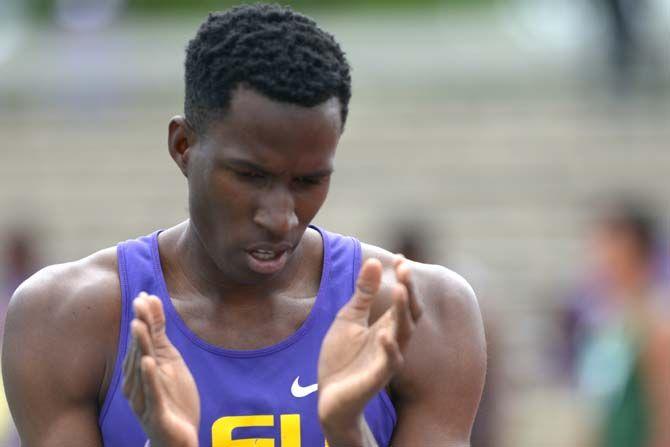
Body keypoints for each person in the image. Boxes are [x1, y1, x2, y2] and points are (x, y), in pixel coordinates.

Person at [1, 4, 486, 446]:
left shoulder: (427, 316)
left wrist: (346, 432)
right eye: (251, 176)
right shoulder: (66, 319)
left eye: (309, 180)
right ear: (183, 147)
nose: (280, 217)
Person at [559, 199, 670, 447]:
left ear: (632, 249)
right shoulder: (606, 320)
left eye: (607, 243)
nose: (597, 254)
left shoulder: (657, 324)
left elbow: (665, 418)